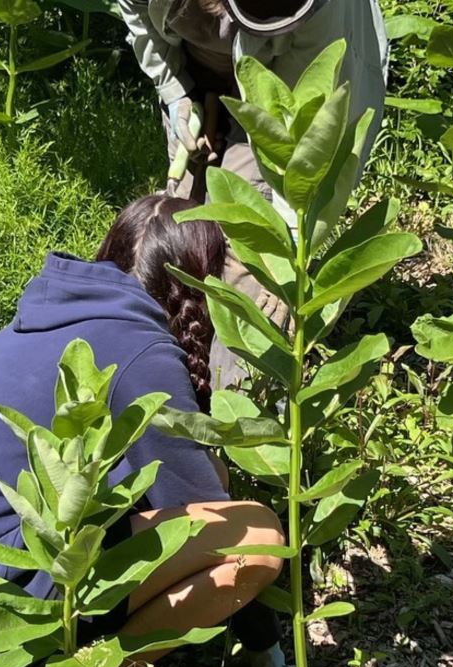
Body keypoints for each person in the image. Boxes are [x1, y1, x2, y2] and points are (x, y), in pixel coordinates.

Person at [0, 194, 292, 667]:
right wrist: (266, 647)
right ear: (198, 283)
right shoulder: (142, 351)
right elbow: (213, 514)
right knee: (259, 539)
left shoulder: (56, 312)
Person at [117, 0, 388, 386]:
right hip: (198, 65)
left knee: (245, 252)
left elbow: (305, 140)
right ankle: (162, 386)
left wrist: (286, 253)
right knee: (180, 236)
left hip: (283, 85)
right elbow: (138, 14)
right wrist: (180, 92)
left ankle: (240, 410)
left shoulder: (320, 12)